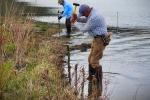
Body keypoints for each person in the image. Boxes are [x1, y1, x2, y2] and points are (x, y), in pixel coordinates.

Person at [71, 4, 111, 97]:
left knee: (94, 61)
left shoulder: (94, 17)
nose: (83, 15)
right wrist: (77, 19)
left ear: (86, 12)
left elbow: (84, 29)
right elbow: (86, 20)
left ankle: (98, 81)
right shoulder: (92, 13)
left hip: (100, 40)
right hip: (96, 39)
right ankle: (91, 77)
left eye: (83, 14)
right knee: (90, 59)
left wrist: (74, 22)